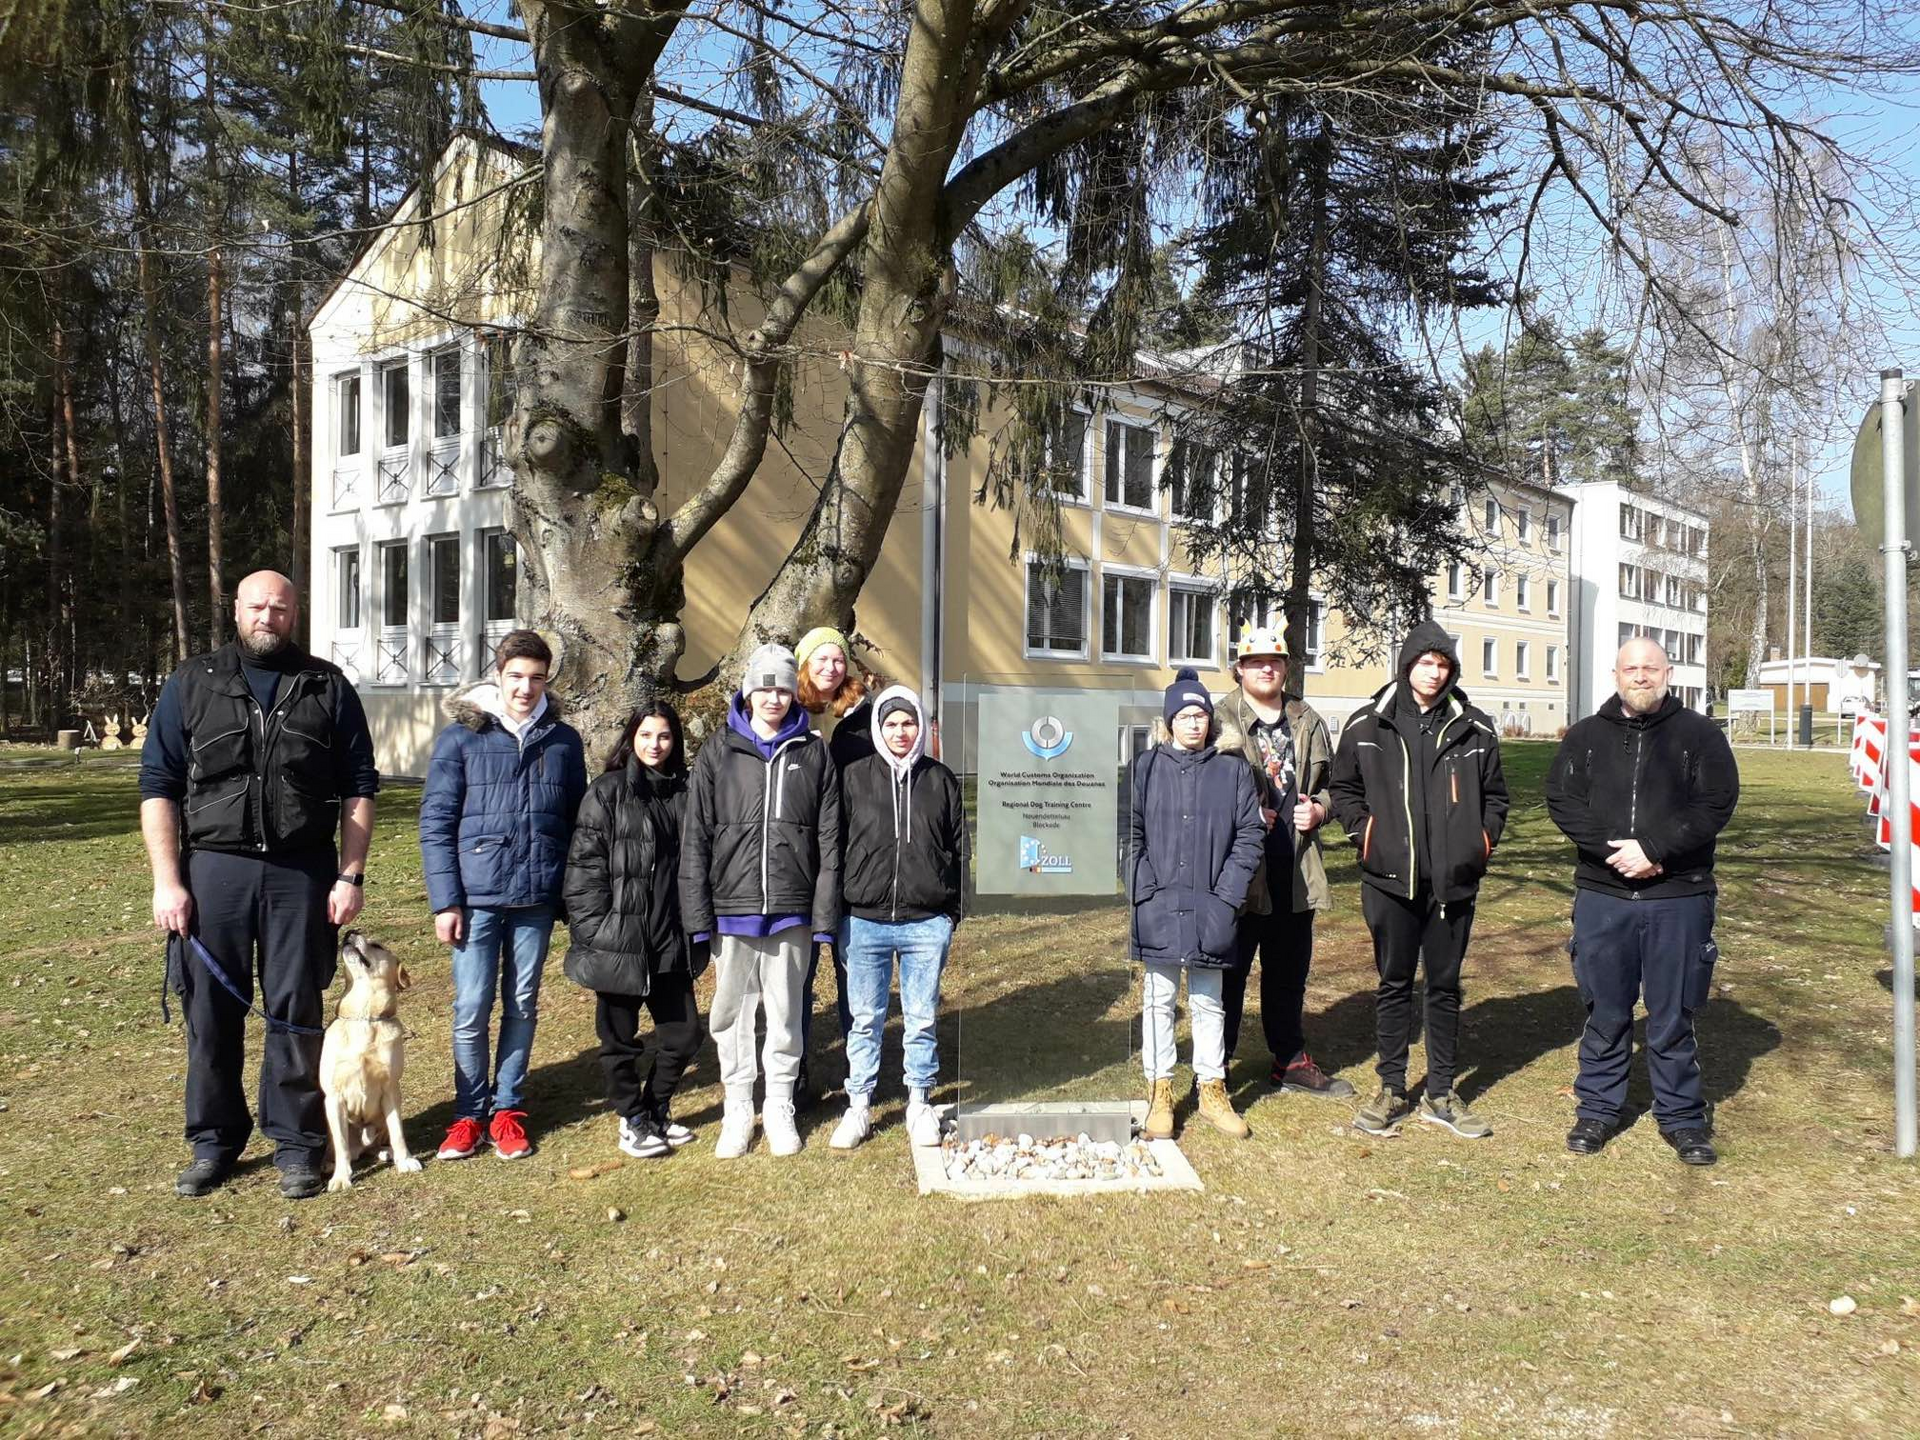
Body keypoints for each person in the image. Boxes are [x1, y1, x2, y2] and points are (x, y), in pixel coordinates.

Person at [140, 570, 380, 1201]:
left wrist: (349, 874)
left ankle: (297, 1145)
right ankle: (213, 1142)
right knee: (211, 1012)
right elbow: (157, 787)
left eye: (280, 607)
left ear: (294, 613)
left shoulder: (325, 686)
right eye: (257, 606)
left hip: (301, 872)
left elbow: (359, 785)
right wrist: (169, 883)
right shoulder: (192, 683)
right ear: (236, 610)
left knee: (295, 1010)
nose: (268, 616)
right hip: (213, 869)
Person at [1545, 637, 1739, 1166]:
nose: (1641, 676)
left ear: (1667, 673)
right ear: (1616, 674)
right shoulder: (1585, 737)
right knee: (1605, 1009)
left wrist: (1654, 850)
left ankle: (1681, 1117)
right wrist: (1617, 853)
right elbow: (1562, 801)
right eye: (1631, 668)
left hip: (1678, 894)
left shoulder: (1699, 736)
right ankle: (1598, 1109)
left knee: (1672, 1012)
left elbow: (1716, 802)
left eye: (1650, 668)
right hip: (1604, 894)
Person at [1329, 621, 1508, 1140]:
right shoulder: (1369, 724)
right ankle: (1390, 1087)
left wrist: (1481, 843)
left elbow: (1496, 798)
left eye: (1442, 664)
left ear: (1452, 671)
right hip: (1390, 880)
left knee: (1445, 986)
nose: (1433, 673)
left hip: (1452, 885)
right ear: (1407, 666)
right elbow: (1343, 789)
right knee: (1394, 984)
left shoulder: (1475, 728)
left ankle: (1442, 1092)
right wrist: (1366, 834)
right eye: (1425, 663)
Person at [419, 630, 588, 1163]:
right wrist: (446, 901)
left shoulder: (563, 741)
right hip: (476, 898)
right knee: (471, 1007)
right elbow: (437, 822)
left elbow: (576, 822)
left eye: (536, 678)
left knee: (521, 1004)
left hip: (535, 897)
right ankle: (468, 1114)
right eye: (516, 676)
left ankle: (508, 1110)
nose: (525, 688)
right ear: (498, 675)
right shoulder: (461, 738)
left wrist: (569, 895)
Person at [681, 643, 841, 1158]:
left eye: (783, 686)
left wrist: (822, 915)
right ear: (748, 691)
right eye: (764, 686)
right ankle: (737, 1107)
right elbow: (696, 837)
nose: (774, 696)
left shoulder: (813, 752)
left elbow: (829, 838)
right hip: (733, 909)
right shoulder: (718, 751)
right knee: (730, 1015)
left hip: (791, 911)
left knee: (786, 1012)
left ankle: (778, 1104)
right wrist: (699, 916)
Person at [563, 700, 707, 1159]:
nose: (655, 745)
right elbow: (583, 870)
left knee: (684, 1036)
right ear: (631, 738)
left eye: (664, 736)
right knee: (619, 1041)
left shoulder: (686, 792)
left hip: (671, 936)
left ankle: (656, 1108)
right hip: (619, 940)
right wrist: (596, 931)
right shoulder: (606, 793)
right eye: (646, 735)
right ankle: (632, 1119)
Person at [1128, 668, 1266, 1140]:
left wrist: (1227, 896)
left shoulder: (1233, 770)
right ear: (1169, 722)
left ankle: (1212, 1088)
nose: (1194, 723)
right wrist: (1142, 886)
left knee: (1209, 1002)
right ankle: (1160, 1091)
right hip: (1158, 905)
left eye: (1201, 714)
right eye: (1184, 715)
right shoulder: (1146, 768)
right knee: (1159, 1000)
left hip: (1212, 907)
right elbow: (1128, 832)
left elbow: (1250, 834)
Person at [1215, 625, 1351, 1098]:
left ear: (1286, 667)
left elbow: (1340, 786)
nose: (1266, 668)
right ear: (1240, 668)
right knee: (1227, 974)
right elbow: (1195, 785)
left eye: (1275, 661)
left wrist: (1321, 809)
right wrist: (1243, 811)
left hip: (1295, 871)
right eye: (1255, 662)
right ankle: (1217, 1067)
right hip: (1237, 875)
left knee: (1288, 976)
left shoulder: (1306, 718)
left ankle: (1289, 1059)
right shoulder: (1218, 720)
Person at [830, 686, 967, 1150]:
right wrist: (838, 916)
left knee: (922, 1017)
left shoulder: (941, 780)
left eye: (909, 723)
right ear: (878, 729)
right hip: (865, 920)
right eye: (891, 724)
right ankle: (859, 1106)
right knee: (865, 1018)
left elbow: (959, 850)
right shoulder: (853, 778)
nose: (901, 732)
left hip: (926, 921)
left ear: (922, 726)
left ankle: (920, 1103)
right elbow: (834, 848)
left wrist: (951, 914)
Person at [793, 625, 876, 1100]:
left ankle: (857, 1069)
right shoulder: (788, 714)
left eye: (838, 660)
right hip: (800, 866)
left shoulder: (861, 720)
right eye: (821, 660)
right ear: (804, 664)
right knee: (798, 977)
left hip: (848, 861)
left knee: (852, 969)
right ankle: (797, 1069)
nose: (831, 668)